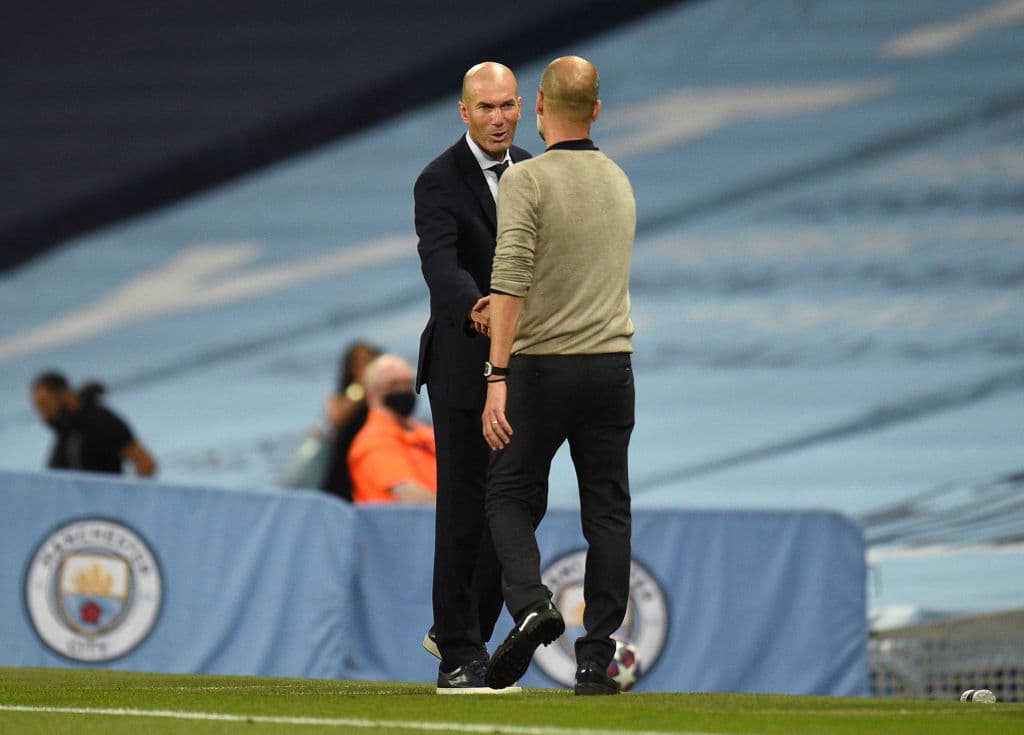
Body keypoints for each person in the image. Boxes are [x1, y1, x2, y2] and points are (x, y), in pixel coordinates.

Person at [481, 56, 636, 696]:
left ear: (538, 106)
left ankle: (532, 604)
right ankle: (596, 660)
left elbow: (512, 277)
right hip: (612, 369)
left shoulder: (526, 180)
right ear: (597, 110)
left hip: (543, 368)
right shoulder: (620, 180)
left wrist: (496, 374)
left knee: (508, 492)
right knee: (608, 512)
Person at [413, 61, 531, 694]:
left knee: (514, 507)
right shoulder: (437, 181)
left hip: (527, 367)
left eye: (507, 106)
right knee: (464, 508)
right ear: (463, 112)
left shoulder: (536, 170)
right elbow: (440, 265)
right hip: (463, 367)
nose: (497, 118)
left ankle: (468, 631)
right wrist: (477, 307)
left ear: (523, 107)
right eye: (485, 108)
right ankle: (458, 653)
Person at [347, 354, 437, 505]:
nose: (402, 390)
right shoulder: (373, 442)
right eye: (393, 385)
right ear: (371, 393)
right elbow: (410, 496)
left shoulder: (424, 433)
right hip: (399, 526)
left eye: (407, 384)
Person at [31, 371, 158, 477]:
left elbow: (146, 464)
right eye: (38, 408)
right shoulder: (66, 432)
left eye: (45, 404)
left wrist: (126, 501)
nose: (43, 414)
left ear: (65, 395)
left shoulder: (101, 421)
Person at [320, 340, 382, 501]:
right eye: (357, 362)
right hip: (344, 470)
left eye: (368, 361)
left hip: (374, 463)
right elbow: (337, 418)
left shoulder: (383, 395)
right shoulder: (343, 396)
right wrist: (360, 387)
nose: (362, 367)